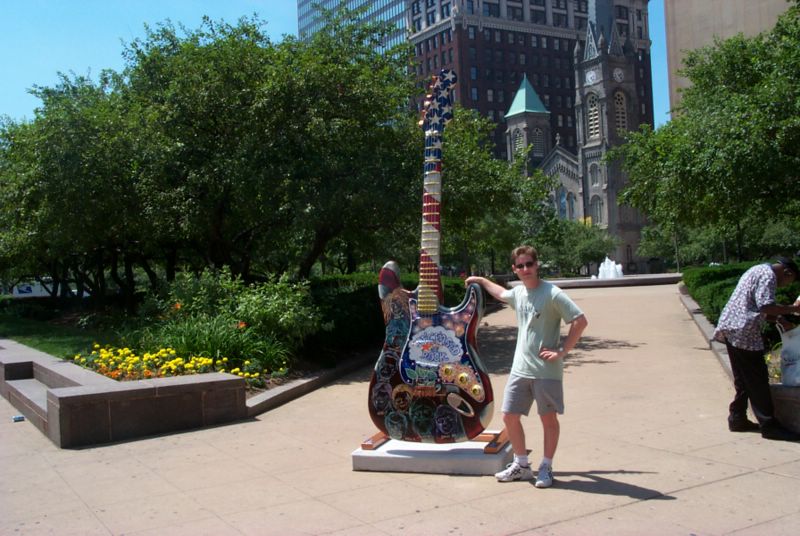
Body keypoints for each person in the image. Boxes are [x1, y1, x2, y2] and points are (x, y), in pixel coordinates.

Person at [466, 245, 587, 488]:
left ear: (536, 264)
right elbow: (501, 293)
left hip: (546, 371)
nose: (525, 269)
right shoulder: (519, 293)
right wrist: (480, 280)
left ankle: (546, 467)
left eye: (529, 264)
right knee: (509, 416)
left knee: (548, 419)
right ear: (515, 269)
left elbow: (580, 321)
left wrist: (562, 351)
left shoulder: (552, 293)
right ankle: (521, 465)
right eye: (520, 266)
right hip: (520, 368)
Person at [712, 257, 800, 441]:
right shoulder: (769, 276)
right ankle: (769, 425)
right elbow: (766, 306)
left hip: (732, 327)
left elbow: (758, 308)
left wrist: (780, 319)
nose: (784, 286)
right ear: (787, 273)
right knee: (757, 379)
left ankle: (737, 418)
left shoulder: (758, 269)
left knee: (743, 378)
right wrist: (793, 309)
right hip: (745, 331)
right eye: (789, 281)